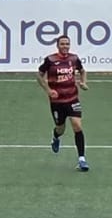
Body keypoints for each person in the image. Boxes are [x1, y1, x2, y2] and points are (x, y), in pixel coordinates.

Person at [37, 34, 89, 171]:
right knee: (61, 128)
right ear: (57, 45)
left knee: (77, 125)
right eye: (62, 44)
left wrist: (83, 82)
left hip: (72, 98)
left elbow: (83, 71)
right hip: (57, 102)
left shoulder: (74, 58)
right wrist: (48, 90)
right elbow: (39, 75)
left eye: (67, 44)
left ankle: (82, 159)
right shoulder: (50, 60)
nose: (65, 46)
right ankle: (55, 137)